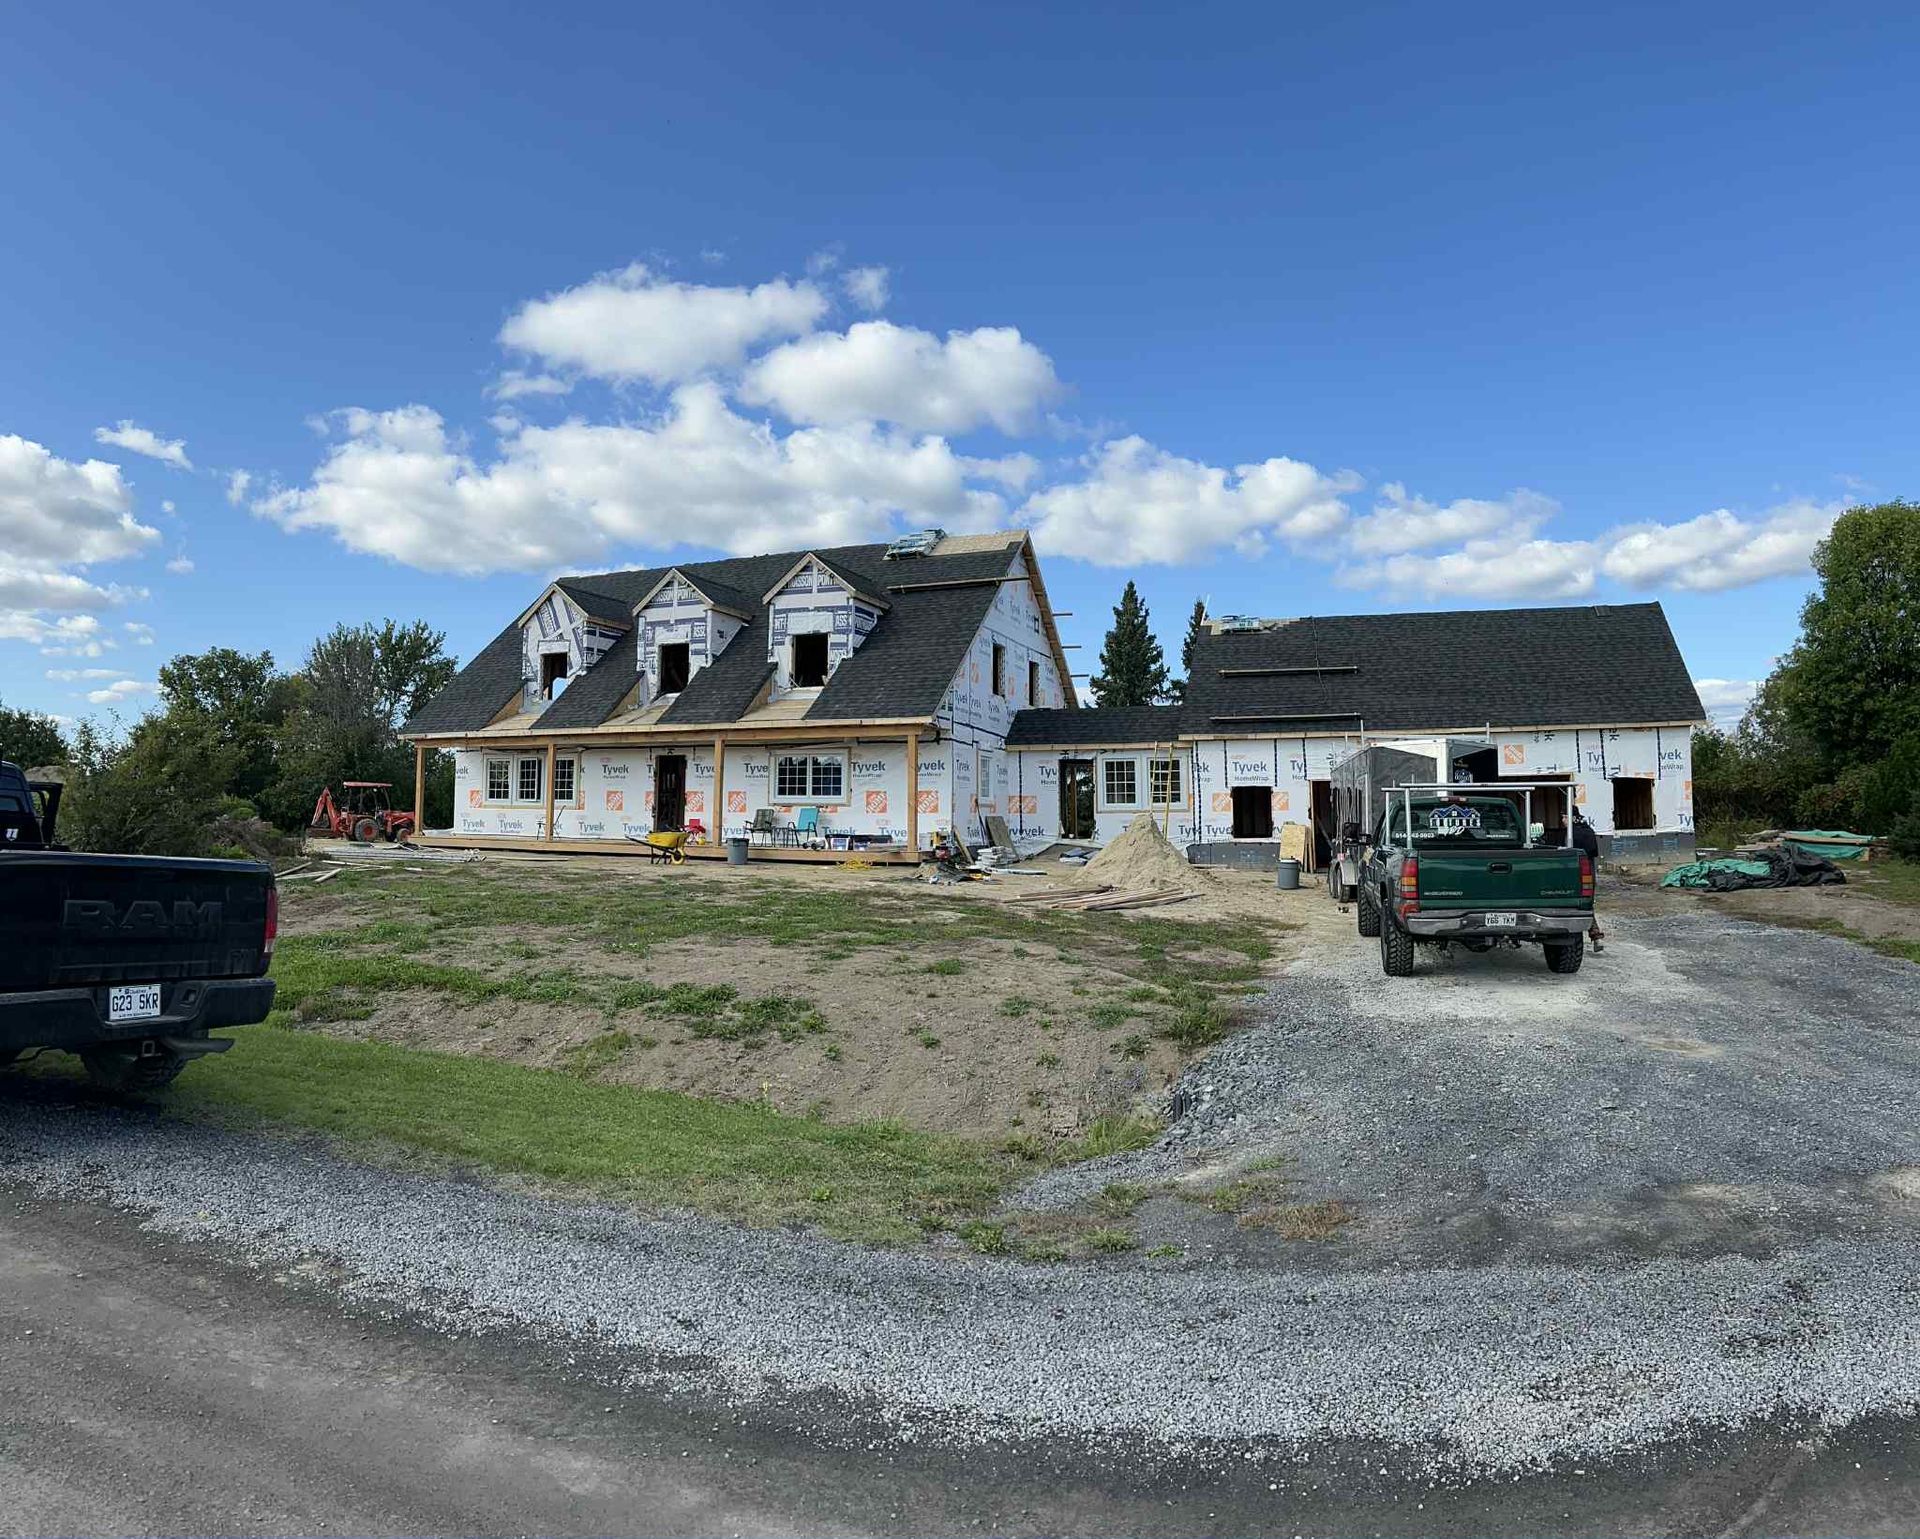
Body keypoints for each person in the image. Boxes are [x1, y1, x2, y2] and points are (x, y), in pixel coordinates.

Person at [1570, 807, 1604, 952]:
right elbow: (1594, 852)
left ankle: (1595, 936)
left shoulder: (1571, 835)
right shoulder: (1589, 831)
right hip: (1589, 874)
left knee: (1581, 907)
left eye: (1564, 818)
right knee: (1587, 905)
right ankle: (1596, 937)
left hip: (1575, 875)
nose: (1562, 821)